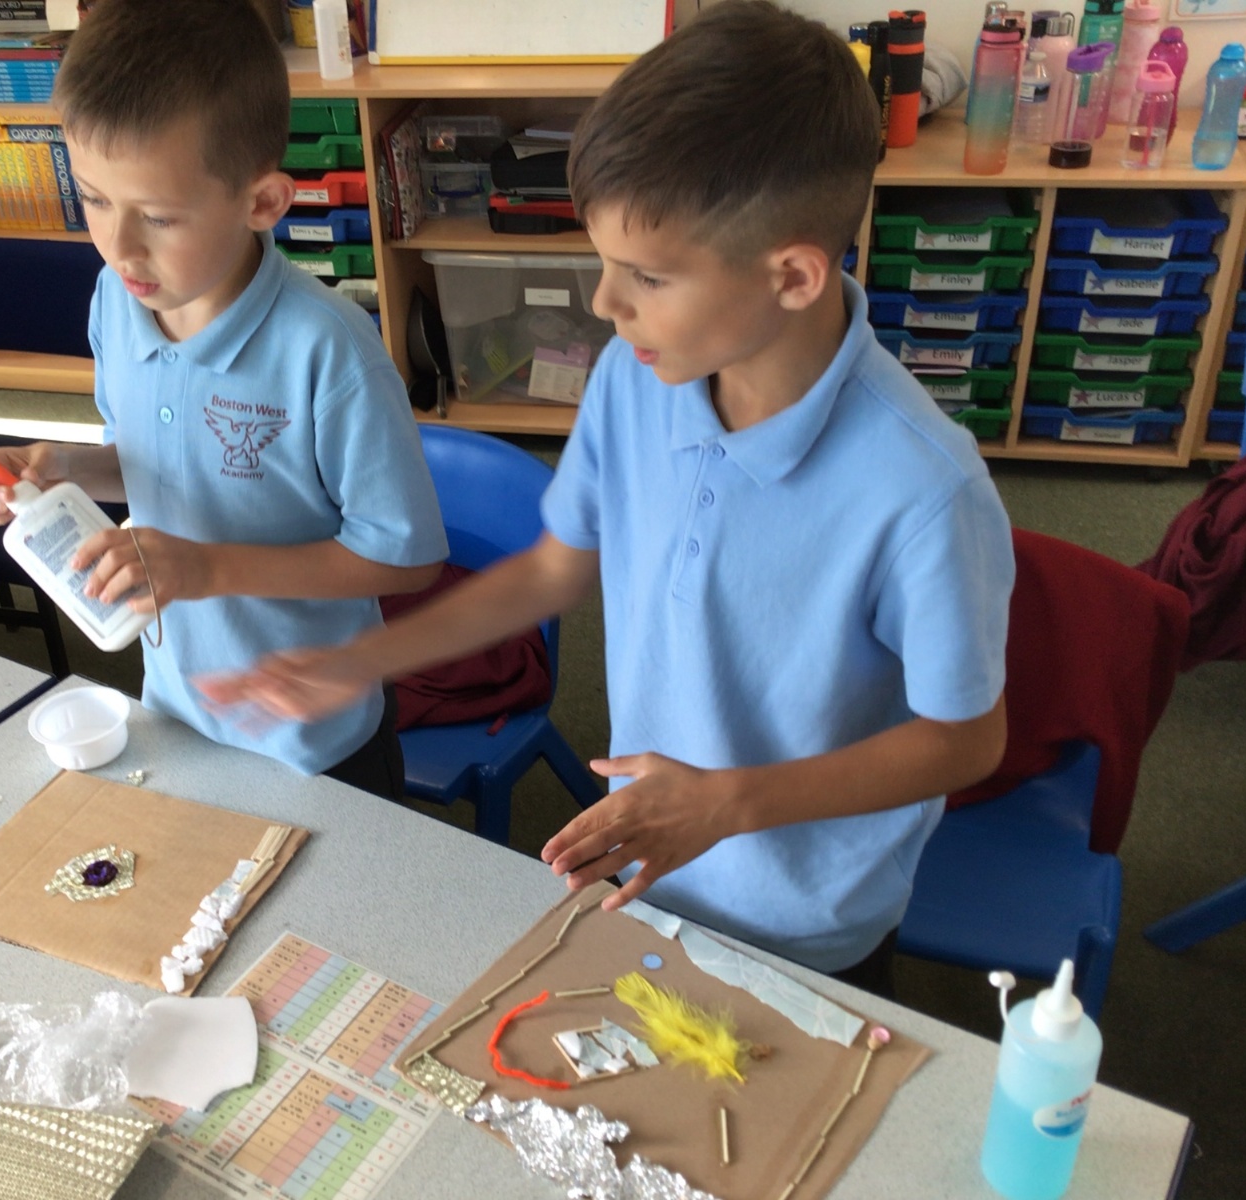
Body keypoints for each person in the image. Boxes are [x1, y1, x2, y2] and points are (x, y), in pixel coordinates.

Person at [202, 0, 1015, 995]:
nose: (603, 302)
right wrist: (359, 659)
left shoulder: (923, 491)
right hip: (647, 868)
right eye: (603, 262)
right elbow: (557, 565)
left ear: (794, 276)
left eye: (646, 276)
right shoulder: (643, 375)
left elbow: (965, 737)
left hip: (803, 924)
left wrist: (726, 804)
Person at [0, 0, 446, 800]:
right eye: (95, 199)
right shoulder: (117, 302)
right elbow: (154, 462)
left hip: (315, 739)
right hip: (177, 709)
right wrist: (62, 469)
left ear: (263, 203)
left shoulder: (328, 350)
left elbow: (408, 559)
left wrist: (204, 567)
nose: (119, 247)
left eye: (158, 216)